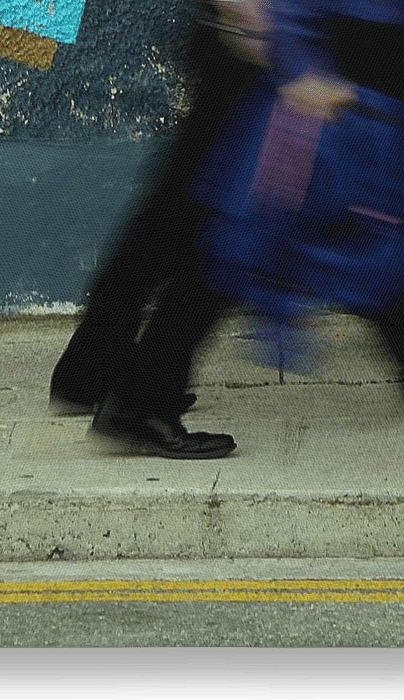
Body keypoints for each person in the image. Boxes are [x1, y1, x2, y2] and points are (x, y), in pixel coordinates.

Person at [83, 0, 404, 459]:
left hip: (344, 69)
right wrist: (294, 60)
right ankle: (134, 398)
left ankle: (133, 397)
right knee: (245, 246)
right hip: (329, 75)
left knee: (255, 244)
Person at [50, 1, 273, 457]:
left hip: (249, 37)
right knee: (223, 230)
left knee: (177, 212)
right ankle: (136, 401)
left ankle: (91, 370)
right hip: (258, 38)